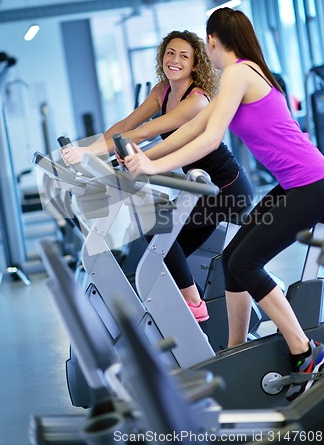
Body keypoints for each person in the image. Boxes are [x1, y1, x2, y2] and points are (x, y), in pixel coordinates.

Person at [124, 7, 324, 401]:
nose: (207, 56)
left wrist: (153, 163)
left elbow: (210, 139)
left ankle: (306, 351)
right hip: (295, 183)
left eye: (206, 47)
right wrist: (146, 159)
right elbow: (194, 128)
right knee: (233, 258)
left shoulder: (238, 73)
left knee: (246, 264)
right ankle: (236, 351)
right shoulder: (243, 74)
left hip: (312, 184)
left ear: (213, 42)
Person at [62, 29, 254, 323]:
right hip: (200, 188)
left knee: (156, 224)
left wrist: (92, 153)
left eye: (184, 56)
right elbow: (127, 124)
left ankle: (194, 304)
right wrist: (86, 148)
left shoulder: (197, 100)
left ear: (195, 64)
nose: (174, 60)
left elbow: (144, 132)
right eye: (170, 53)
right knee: (158, 255)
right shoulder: (162, 91)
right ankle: (176, 313)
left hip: (226, 190)